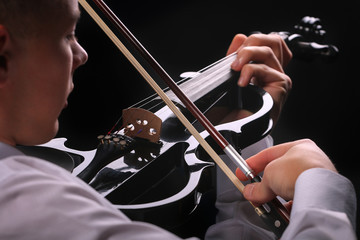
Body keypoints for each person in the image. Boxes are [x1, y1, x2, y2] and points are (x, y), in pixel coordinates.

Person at [0, 1, 356, 240]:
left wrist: (233, 137)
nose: (81, 53)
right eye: (67, 34)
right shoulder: (27, 199)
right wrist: (322, 189)